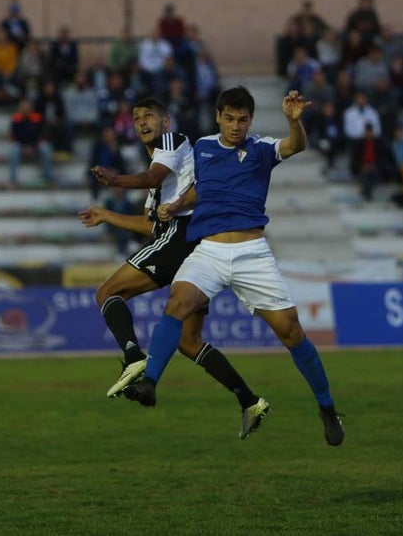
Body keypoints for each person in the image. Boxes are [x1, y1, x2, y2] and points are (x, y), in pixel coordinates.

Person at [124, 88, 344, 446]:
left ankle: (327, 408)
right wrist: (178, 202)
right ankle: (149, 383)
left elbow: (296, 146)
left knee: (291, 333)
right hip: (209, 251)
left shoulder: (260, 148)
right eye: (229, 118)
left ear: (251, 120)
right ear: (218, 117)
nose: (236, 126)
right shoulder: (202, 148)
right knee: (177, 304)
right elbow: (199, 187)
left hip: (252, 253)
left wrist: (293, 122)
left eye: (243, 120)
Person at [81, 98, 268, 437]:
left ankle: (134, 356)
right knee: (189, 340)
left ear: (165, 121)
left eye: (148, 116)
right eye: (136, 118)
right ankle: (249, 400)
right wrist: (107, 215)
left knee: (108, 292)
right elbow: (151, 226)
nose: (141, 122)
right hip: (199, 245)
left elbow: (155, 181)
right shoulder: (161, 182)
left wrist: (116, 180)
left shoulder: (172, 142)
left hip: (183, 236)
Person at [8, 99, 54, 185]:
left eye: (27, 106)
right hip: (21, 145)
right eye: (23, 107)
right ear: (20, 108)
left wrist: (34, 145)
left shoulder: (37, 117)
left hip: (35, 145)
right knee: (14, 149)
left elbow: (42, 134)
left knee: (45, 148)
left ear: (31, 108)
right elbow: (15, 135)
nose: (25, 109)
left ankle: (48, 176)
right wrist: (25, 147)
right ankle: (13, 179)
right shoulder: (16, 118)